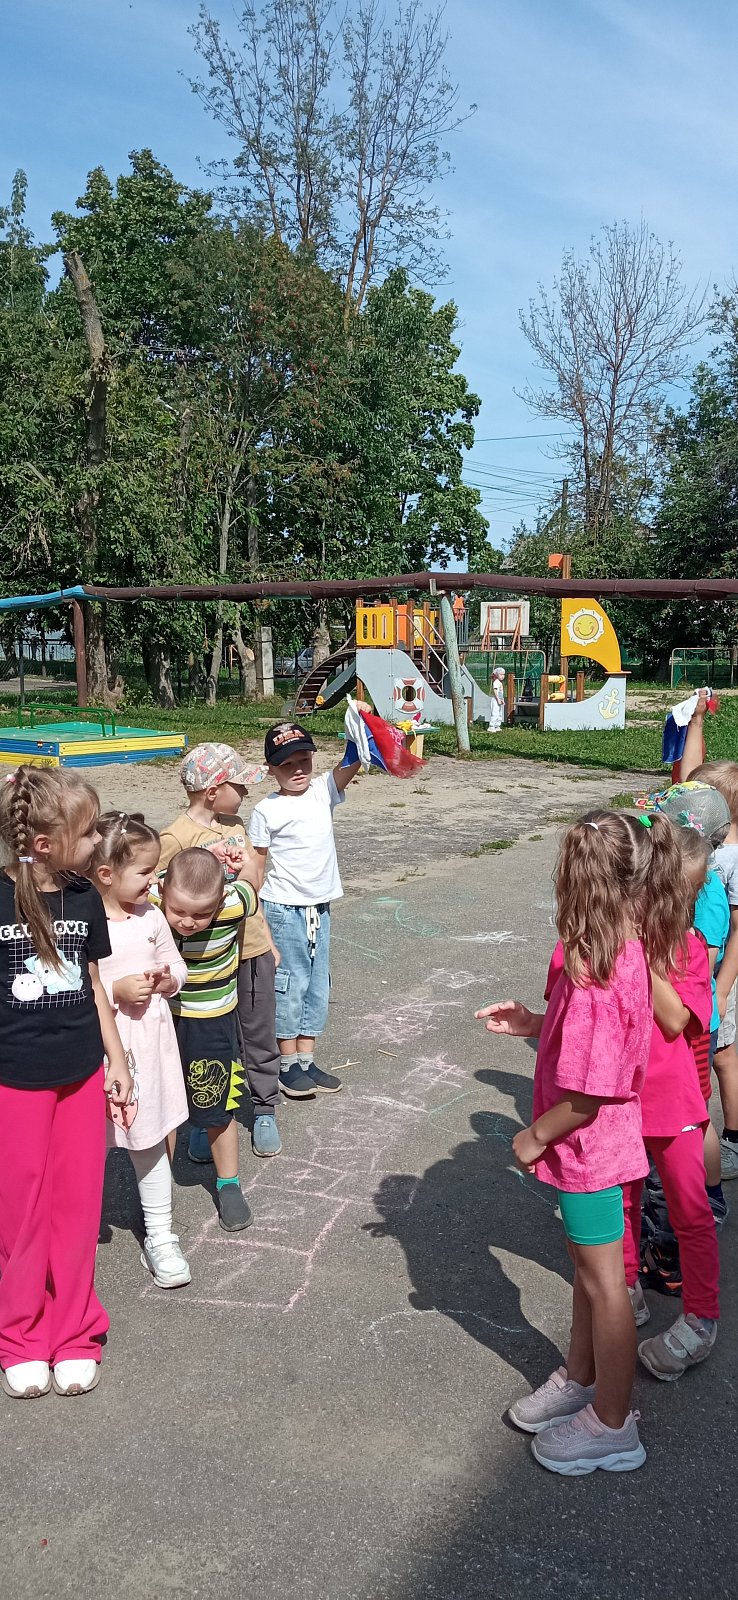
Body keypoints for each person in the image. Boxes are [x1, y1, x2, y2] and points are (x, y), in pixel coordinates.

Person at [476, 809, 689, 1475]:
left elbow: (590, 1093)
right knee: (591, 1277)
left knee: (606, 1288)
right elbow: (590, 1045)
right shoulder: (608, 950)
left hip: (592, 1150)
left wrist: (533, 1136)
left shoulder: (599, 972)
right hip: (596, 1148)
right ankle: (580, 1377)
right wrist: (534, 1022)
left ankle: (612, 1425)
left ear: (580, 882)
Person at [0, 767, 133, 1400]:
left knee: (78, 1207)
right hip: (13, 1083)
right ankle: (21, 1336)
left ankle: (74, 1332)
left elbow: (95, 986)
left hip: (81, 1076)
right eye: (88, 832)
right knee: (20, 1213)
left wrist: (118, 1061)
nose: (98, 840)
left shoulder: (83, 898)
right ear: (45, 843)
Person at [621, 824, 719, 1380]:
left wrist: (641, 951)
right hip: (624, 1098)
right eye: (688, 890)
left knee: (690, 1211)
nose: (693, 902)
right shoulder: (620, 939)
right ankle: (626, 1287)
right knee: (625, 1201)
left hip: (675, 1103)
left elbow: (675, 1018)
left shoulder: (690, 948)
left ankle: (701, 1318)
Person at [157, 743, 283, 1162]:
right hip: (205, 966)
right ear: (213, 790)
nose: (245, 792)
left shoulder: (234, 824)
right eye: (238, 785)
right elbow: (155, 893)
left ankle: (264, 1106)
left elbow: (253, 887)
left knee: (258, 1031)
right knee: (207, 1047)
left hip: (251, 949)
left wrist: (267, 939)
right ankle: (203, 1120)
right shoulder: (175, 837)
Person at [91, 812, 191, 1290]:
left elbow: (175, 963)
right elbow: (77, 985)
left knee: (148, 1139)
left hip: (148, 1046)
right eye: (146, 872)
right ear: (106, 874)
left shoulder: (151, 916)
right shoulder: (84, 919)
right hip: (99, 1050)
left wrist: (170, 980)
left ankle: (161, 1233)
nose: (155, 882)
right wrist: (116, 990)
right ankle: (76, 1228)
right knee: (86, 1145)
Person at [247, 720, 366, 1098]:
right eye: (287, 764)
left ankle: (306, 1060)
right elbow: (256, 867)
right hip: (284, 909)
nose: (298, 770)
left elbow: (352, 762)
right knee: (289, 984)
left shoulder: (322, 791)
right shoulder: (266, 810)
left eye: (305, 761)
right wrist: (257, 917)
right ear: (271, 769)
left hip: (319, 907)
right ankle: (285, 1065)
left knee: (317, 984)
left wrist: (358, 725)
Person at [156, 848, 258, 1232]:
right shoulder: (153, 904)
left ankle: (228, 1183)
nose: (187, 921)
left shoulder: (233, 905)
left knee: (215, 1104)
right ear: (164, 891)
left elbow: (251, 883)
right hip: (161, 1019)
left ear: (221, 898)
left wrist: (242, 861)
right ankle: (156, 1188)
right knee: (161, 1107)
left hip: (211, 1022)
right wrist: (233, 863)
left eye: (201, 913)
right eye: (179, 910)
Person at [681, 696, 738, 1181]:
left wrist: (721, 989)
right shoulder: (698, 841)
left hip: (717, 982)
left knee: (721, 1057)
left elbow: (736, 932)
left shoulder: (725, 864)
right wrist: (696, 720)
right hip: (696, 978)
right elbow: (688, 778)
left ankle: (732, 1138)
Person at [487, 668, 505, 733]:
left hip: (499, 699)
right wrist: (498, 699)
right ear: (497, 675)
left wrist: (502, 699)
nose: (503, 676)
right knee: (495, 713)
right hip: (495, 699)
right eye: (501, 674)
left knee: (499, 713)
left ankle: (497, 725)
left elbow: (501, 693)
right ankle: (491, 726)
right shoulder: (496, 682)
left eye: (503, 674)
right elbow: (495, 691)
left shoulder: (499, 682)